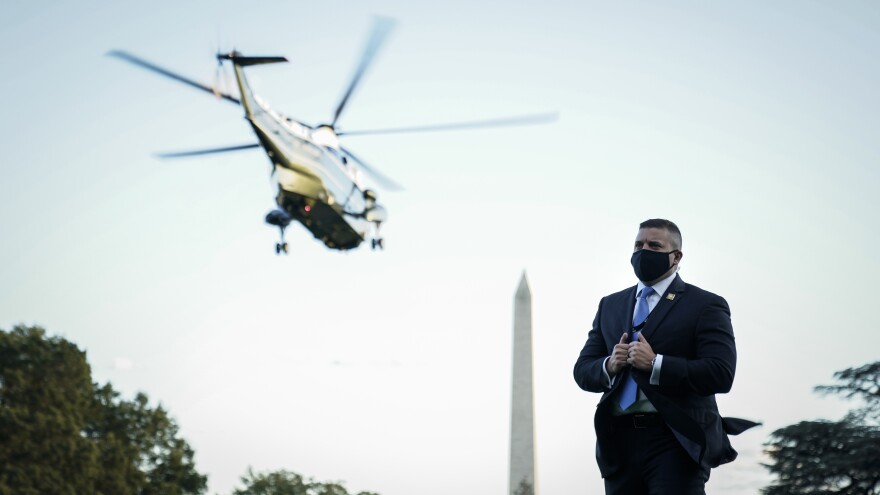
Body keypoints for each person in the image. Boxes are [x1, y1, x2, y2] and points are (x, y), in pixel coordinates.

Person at [573, 218, 757, 495]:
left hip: (675, 439)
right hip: (619, 442)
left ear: (676, 256)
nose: (643, 251)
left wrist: (656, 364)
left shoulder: (705, 304)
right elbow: (583, 370)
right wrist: (610, 365)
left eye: (654, 245)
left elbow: (720, 373)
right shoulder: (610, 305)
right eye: (638, 244)